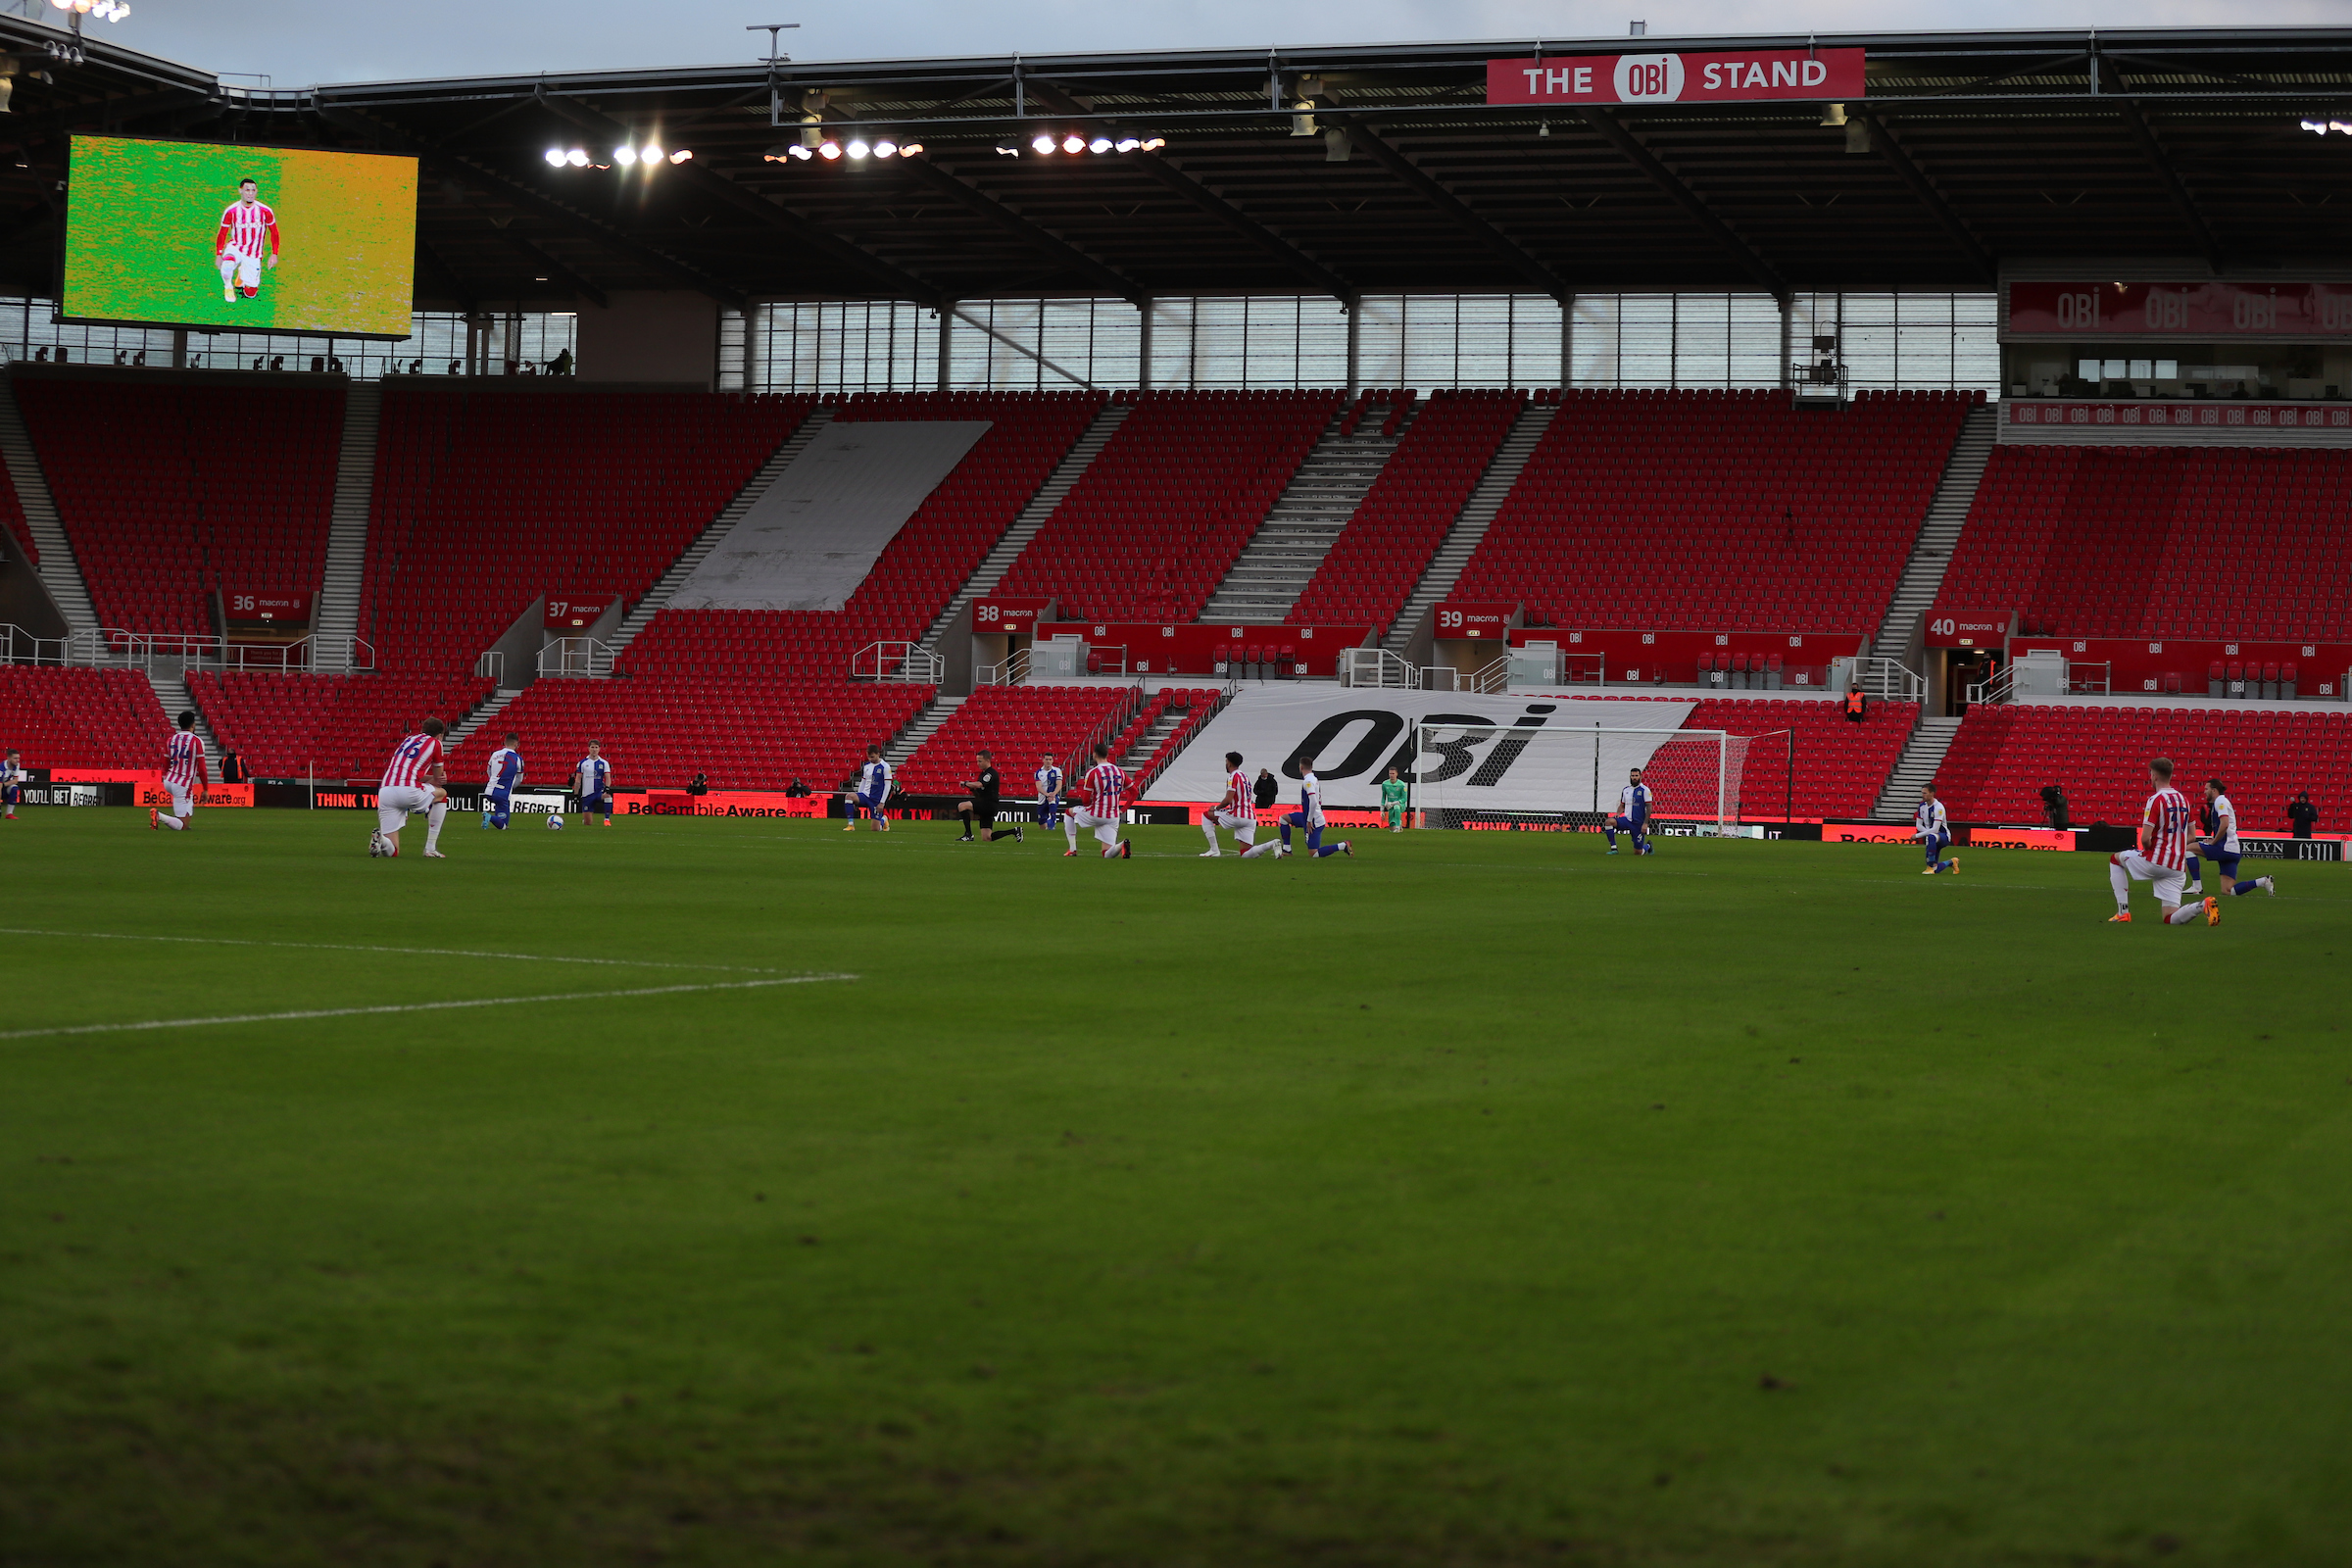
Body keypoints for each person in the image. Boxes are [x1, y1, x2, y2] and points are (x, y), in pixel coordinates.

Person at [2107, 757, 2219, 926]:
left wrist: (2151, 848)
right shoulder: (2184, 800)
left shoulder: (2155, 800)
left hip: (2156, 860)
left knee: (2115, 860)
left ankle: (2123, 912)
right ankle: (2201, 905)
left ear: (2154, 776)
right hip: (2177, 867)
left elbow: (2145, 838)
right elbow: (2192, 836)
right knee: (2170, 919)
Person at [2185, 778, 2275, 900]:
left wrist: (2214, 841)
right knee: (2228, 891)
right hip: (2233, 850)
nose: (2204, 792)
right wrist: (2213, 839)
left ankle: (2197, 887)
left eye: (2206, 789)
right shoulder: (2222, 801)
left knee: (2188, 849)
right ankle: (2263, 881)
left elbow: (2225, 823)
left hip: (2224, 847)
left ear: (2214, 790)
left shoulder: (2220, 801)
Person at [373, 718, 450, 859]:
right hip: (408, 790)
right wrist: (437, 779)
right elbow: (438, 780)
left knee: (393, 851)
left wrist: (429, 779)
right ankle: (430, 848)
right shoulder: (435, 743)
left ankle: (381, 841)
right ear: (440, 735)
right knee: (442, 795)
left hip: (386, 791)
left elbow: (410, 771)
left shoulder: (408, 740)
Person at [214, 176, 280, 304]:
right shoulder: (231, 211)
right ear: (240, 191)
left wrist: (274, 253)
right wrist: (218, 254)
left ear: (256, 191)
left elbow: (274, 232)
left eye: (253, 190)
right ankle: (228, 287)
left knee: (250, 293)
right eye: (247, 190)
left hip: (254, 253)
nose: (250, 193)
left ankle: (242, 273)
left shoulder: (265, 211)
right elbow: (222, 233)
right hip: (236, 247)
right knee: (227, 266)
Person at [1063, 741, 1131, 858]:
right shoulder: (1120, 772)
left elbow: (1085, 799)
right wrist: (1123, 809)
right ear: (1107, 755)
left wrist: (1088, 807)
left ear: (1094, 755)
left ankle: (1073, 849)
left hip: (1096, 813)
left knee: (1068, 813)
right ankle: (1122, 845)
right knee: (1107, 854)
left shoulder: (1093, 772)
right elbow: (1134, 792)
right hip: (1113, 816)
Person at [1276, 756, 1351, 859]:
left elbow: (1314, 802)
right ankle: (1287, 849)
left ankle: (1343, 845)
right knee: (1283, 819)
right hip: (1307, 816)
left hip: (1314, 820)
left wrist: (1309, 820)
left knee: (1314, 854)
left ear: (1301, 767)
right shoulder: (1312, 779)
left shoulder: (1308, 781)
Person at [152, 710, 207, 832]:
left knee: (188, 802)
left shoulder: (171, 740)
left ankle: (183, 821)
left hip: (169, 780)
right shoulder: (196, 741)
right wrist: (206, 789)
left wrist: (166, 777)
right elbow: (202, 769)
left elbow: (165, 764)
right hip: (182, 783)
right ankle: (159, 816)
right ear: (193, 724)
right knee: (183, 826)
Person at [1200, 750, 1260, 857]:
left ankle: (1214, 850)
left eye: (1226, 761)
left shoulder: (1233, 777)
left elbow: (1228, 800)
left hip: (1236, 814)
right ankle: (1272, 844)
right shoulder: (1245, 777)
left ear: (1229, 763)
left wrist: (1216, 809)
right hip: (1250, 817)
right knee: (1245, 854)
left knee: (1206, 816)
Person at [956, 751, 1019, 842]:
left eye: (980, 761)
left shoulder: (990, 773)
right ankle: (1014, 831)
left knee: (962, 806)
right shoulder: (983, 774)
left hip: (988, 804)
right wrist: (972, 788)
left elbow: (979, 784)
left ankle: (968, 834)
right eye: (977, 761)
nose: (978, 764)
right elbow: (979, 792)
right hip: (987, 805)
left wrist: (966, 783)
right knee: (987, 838)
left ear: (987, 760)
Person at [1605, 766, 1652, 856]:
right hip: (1627, 820)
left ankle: (1648, 846)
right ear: (1630, 777)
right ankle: (1614, 848)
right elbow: (1622, 805)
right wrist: (1618, 813)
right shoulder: (1626, 790)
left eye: (1636, 776)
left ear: (1640, 777)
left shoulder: (1645, 790)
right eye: (1632, 776)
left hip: (1638, 823)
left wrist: (1645, 823)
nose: (1634, 777)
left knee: (1638, 852)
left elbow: (1649, 807)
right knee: (1609, 822)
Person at [1915, 782, 1959, 876]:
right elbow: (1918, 825)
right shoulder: (1922, 806)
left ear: (1932, 793)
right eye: (1922, 793)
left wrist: (1917, 835)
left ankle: (1929, 867)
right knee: (1936, 869)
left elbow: (1935, 829)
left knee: (1932, 836)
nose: (1923, 795)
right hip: (1931, 837)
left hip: (1943, 836)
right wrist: (1927, 833)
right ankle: (1951, 862)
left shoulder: (1938, 807)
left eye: (1925, 793)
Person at [482, 732, 522, 830]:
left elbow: (488, 770)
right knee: (504, 826)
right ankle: (489, 817)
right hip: (503, 793)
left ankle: (491, 818)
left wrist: (493, 781)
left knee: (500, 818)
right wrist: (510, 787)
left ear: (505, 742)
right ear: (516, 744)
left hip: (489, 790)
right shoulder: (518, 759)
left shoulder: (495, 754)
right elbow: (519, 779)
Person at [574, 740, 613, 826]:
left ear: (599, 749)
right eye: (592, 747)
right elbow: (578, 780)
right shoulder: (582, 763)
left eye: (596, 747)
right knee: (588, 823)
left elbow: (608, 778)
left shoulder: (604, 763)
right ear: (588, 749)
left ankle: (607, 820)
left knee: (608, 797)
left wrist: (607, 788)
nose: (594, 749)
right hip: (587, 794)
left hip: (599, 792)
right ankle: (586, 820)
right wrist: (576, 794)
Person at [854, 745, 891, 832]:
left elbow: (887, 785)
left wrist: (882, 802)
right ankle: (850, 825)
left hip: (876, 799)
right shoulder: (867, 766)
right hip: (866, 795)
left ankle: (883, 820)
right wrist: (859, 795)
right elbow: (863, 782)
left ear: (878, 754)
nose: (870, 759)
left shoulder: (885, 767)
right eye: (869, 757)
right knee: (850, 797)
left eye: (872, 757)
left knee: (875, 829)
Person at [1033, 752, 1065, 838]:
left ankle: (1052, 822)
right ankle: (1046, 832)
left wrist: (1053, 794)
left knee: (1053, 802)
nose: (1048, 761)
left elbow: (1059, 784)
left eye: (1050, 759)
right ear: (1043, 760)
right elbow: (1038, 787)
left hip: (1053, 796)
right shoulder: (1038, 773)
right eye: (1046, 759)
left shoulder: (1057, 771)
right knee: (1041, 822)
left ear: (1052, 761)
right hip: (1042, 798)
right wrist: (1047, 794)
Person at [1380, 765, 1409, 833]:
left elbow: (1405, 798)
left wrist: (1394, 803)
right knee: (1392, 828)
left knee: (1396, 808)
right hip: (1389, 805)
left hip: (1400, 805)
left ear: (1396, 774)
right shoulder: (1385, 784)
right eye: (1390, 773)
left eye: (1393, 773)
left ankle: (1398, 826)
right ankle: (1397, 825)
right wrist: (1382, 810)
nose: (1391, 775)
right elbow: (1383, 796)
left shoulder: (1401, 784)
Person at [1, 747, 23, 819]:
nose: (17, 760)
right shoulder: (1, 768)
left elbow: (15, 780)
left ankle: (9, 814)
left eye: (18, 758)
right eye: (15, 758)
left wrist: (4, 784)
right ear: (9, 758)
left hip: (3, 786)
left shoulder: (16, 766)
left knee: (14, 788)